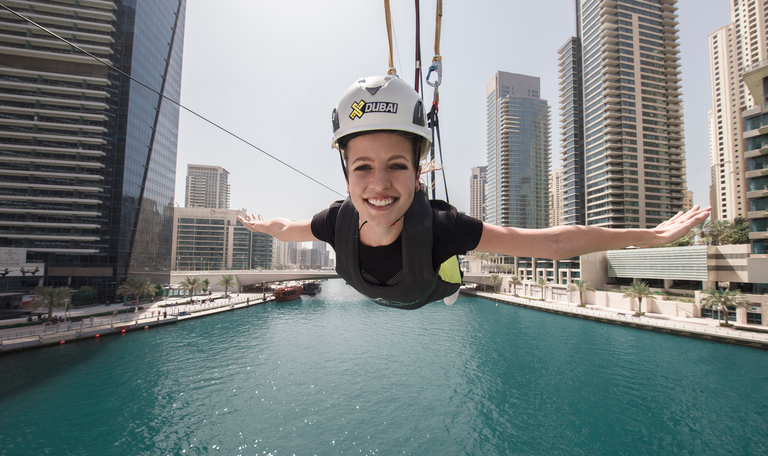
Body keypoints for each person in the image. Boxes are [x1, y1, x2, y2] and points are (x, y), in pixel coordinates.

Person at [238, 75, 710, 310]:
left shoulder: (444, 228)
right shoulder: (333, 220)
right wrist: (263, 225)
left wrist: (650, 237)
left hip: (431, 282)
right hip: (397, 279)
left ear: (418, 172)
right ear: (346, 174)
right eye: (364, 167)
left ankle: (451, 276)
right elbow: (286, 229)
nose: (379, 184)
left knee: (444, 261)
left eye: (397, 166)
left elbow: (553, 243)